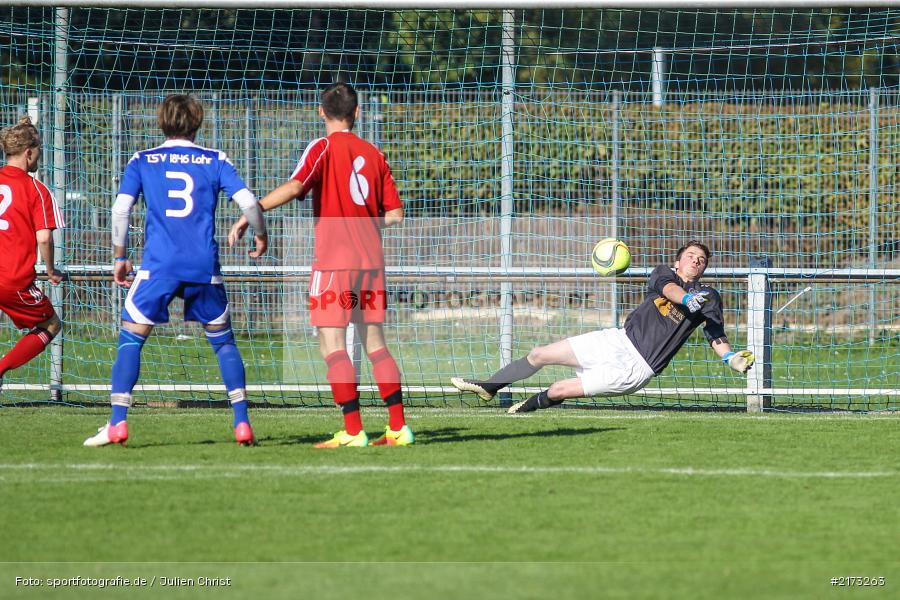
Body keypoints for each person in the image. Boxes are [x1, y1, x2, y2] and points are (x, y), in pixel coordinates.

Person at [228, 81, 410, 448]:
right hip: (371, 262)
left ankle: (354, 431)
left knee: (331, 342)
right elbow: (396, 214)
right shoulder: (374, 153)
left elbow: (296, 187)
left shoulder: (322, 147)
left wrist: (255, 209)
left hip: (334, 262)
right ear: (357, 113)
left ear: (321, 112)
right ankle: (398, 428)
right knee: (375, 344)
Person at [84, 94, 268, 447]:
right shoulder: (215, 159)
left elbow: (121, 209)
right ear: (198, 121)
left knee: (131, 338)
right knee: (224, 342)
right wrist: (260, 235)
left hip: (159, 266)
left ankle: (118, 423)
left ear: (161, 121)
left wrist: (120, 256)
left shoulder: (143, 160)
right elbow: (248, 202)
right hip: (203, 265)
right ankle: (242, 422)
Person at [451, 241, 756, 412]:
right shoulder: (664, 273)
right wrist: (687, 298)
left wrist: (730, 358)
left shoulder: (710, 296)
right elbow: (669, 291)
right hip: (617, 341)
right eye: (690, 256)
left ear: (705, 268)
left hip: (637, 368)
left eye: (701, 259)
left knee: (558, 389)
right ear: (677, 262)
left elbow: (715, 334)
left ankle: (521, 411)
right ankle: (489, 387)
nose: (695, 260)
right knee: (541, 353)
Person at [0, 117, 64, 391]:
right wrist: (50, 270)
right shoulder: (35, 189)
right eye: (38, 149)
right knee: (51, 325)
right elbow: (44, 236)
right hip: (11, 279)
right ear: (29, 152)